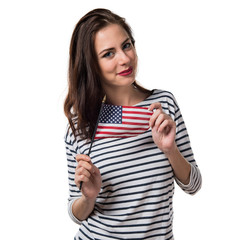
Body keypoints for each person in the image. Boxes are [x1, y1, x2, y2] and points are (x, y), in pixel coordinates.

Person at [64, 8, 202, 240]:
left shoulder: (163, 105)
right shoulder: (82, 124)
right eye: (109, 54)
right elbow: (76, 213)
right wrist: (88, 197)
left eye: (126, 45)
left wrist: (170, 150)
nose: (125, 59)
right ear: (91, 65)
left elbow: (193, 185)